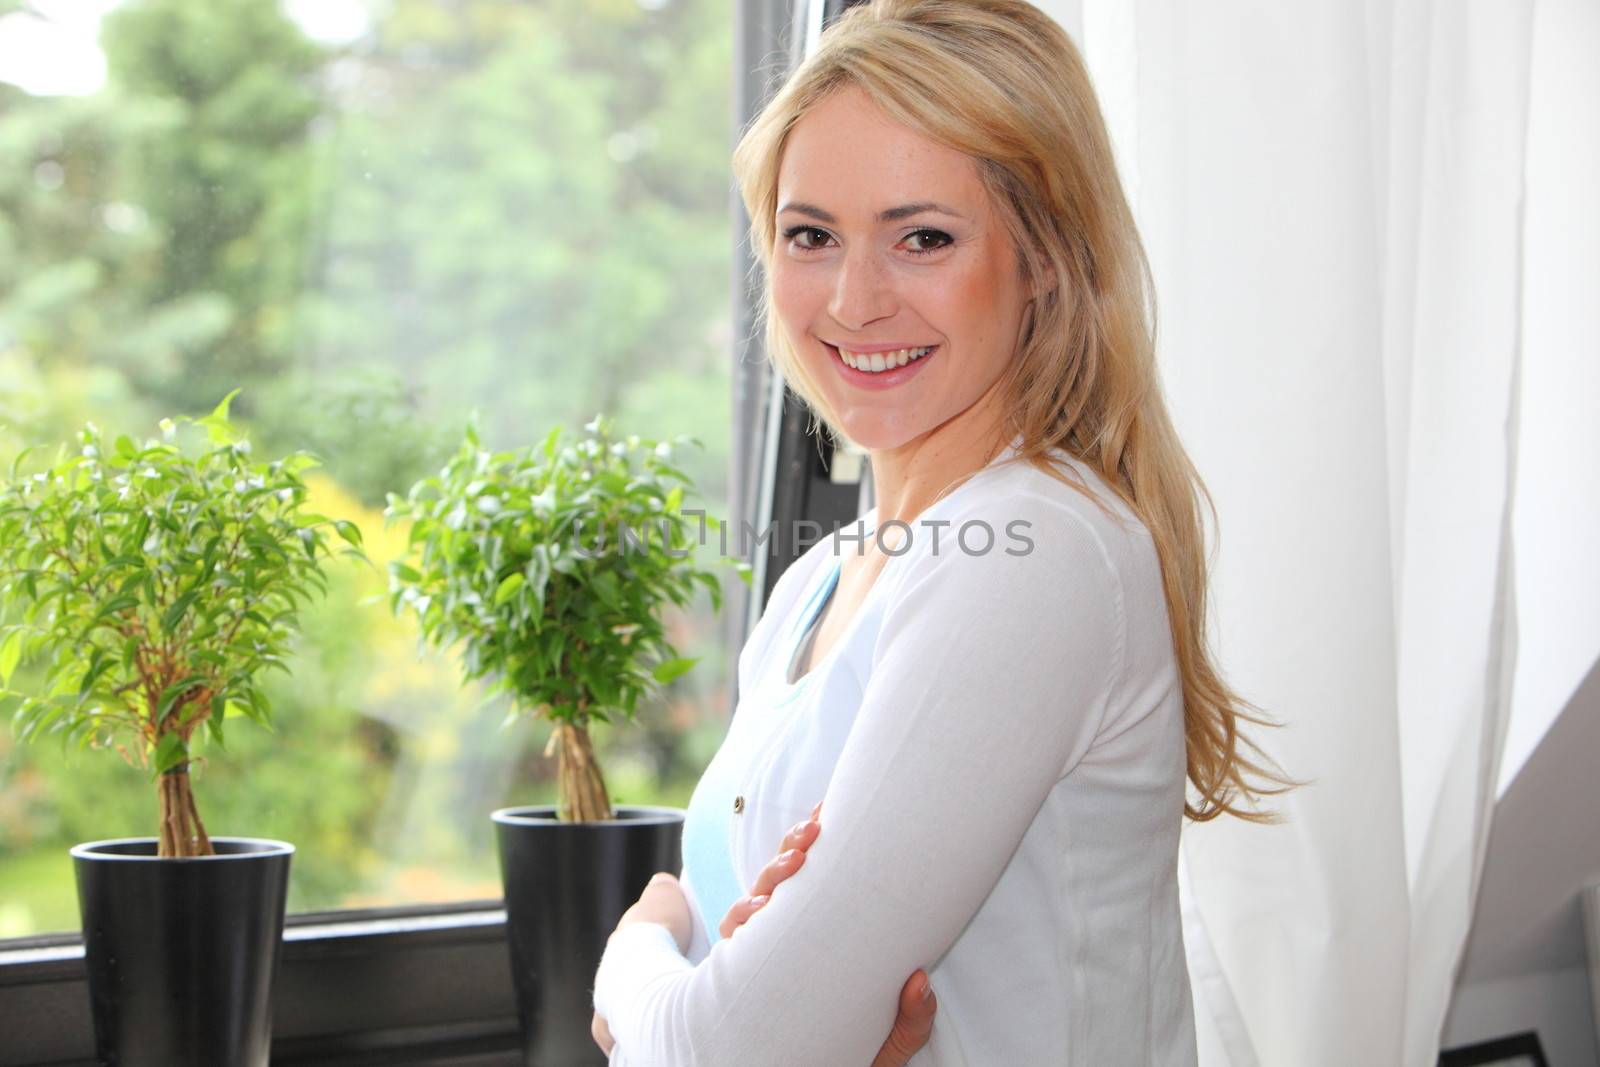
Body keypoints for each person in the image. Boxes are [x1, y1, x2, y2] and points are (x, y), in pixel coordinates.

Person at [590, 1, 1292, 1063]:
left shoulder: (1032, 549)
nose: (855, 298)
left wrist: (630, 946)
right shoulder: (814, 587)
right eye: (809, 234)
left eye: (923, 237)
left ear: (1043, 257)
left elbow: (725, 1041)